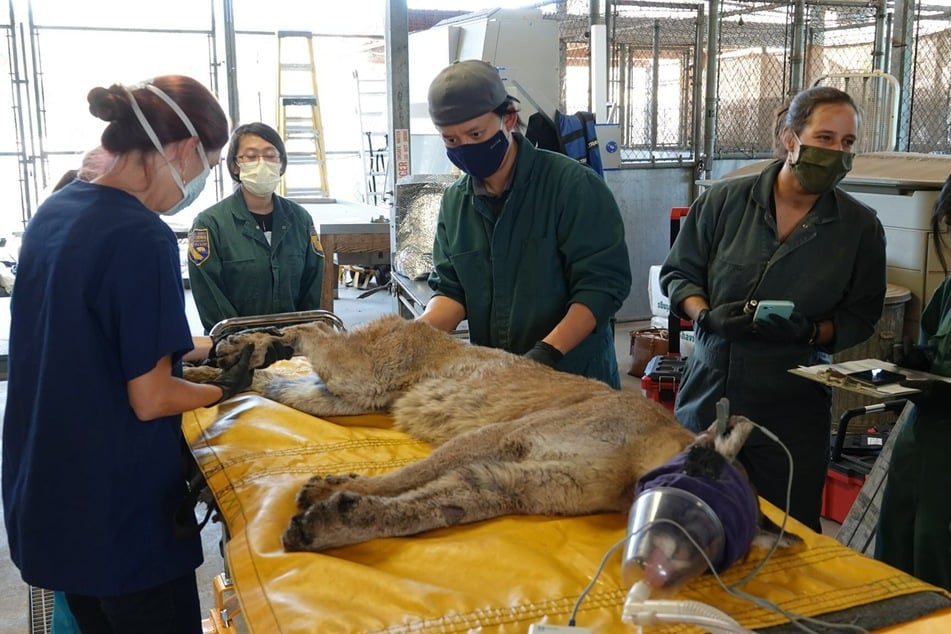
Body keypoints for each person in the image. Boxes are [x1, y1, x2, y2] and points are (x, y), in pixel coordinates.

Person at [2, 75, 255, 634]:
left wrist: (204, 345)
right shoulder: (141, 236)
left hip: (50, 493)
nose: (193, 186)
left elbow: (88, 336)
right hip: (118, 512)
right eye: (203, 169)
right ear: (186, 150)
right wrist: (235, 389)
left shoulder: (58, 210)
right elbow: (152, 397)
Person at [659, 85, 887, 532]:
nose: (838, 153)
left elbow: (861, 313)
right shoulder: (724, 203)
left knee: (787, 529)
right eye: (825, 138)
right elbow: (679, 274)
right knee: (690, 520)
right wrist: (705, 314)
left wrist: (811, 332)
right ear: (790, 139)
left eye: (847, 143)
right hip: (710, 392)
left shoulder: (859, 228)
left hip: (793, 404)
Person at [421, 59, 632, 388]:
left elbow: (602, 287)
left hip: (575, 381)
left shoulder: (572, 186)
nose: (465, 147)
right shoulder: (455, 203)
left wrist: (546, 353)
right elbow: (452, 291)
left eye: (475, 133)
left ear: (507, 118)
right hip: (500, 382)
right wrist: (413, 336)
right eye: (451, 140)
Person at [875, 174, 951, 591]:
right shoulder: (950, 289)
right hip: (922, 437)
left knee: (935, 548)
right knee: (898, 539)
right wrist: (916, 358)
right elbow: (933, 345)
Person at [187, 121, 325, 334]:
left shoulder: (300, 220)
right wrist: (242, 344)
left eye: (270, 156)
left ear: (282, 165)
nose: (262, 163)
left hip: (293, 353)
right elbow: (210, 299)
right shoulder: (210, 225)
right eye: (251, 156)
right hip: (236, 352)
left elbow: (311, 288)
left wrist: (300, 339)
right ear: (234, 165)